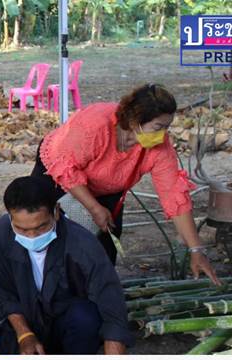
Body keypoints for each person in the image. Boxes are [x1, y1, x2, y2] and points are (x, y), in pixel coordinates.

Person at [32, 83, 220, 285]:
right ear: (134, 121)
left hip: (107, 186)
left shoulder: (159, 147)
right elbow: (65, 166)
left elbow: (173, 193)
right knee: (41, 225)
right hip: (57, 170)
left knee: (105, 241)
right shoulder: (95, 124)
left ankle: (96, 293)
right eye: (158, 127)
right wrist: (94, 207)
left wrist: (196, 250)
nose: (163, 134)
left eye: (167, 127)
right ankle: (40, 282)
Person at [0, 176, 133, 355]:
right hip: (19, 319)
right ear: (10, 217)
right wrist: (24, 334)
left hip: (62, 325)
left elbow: (113, 310)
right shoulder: (3, 232)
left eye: (40, 227)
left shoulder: (83, 244)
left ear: (55, 212)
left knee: (85, 316)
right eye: (21, 228)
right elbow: (5, 293)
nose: (31, 236)